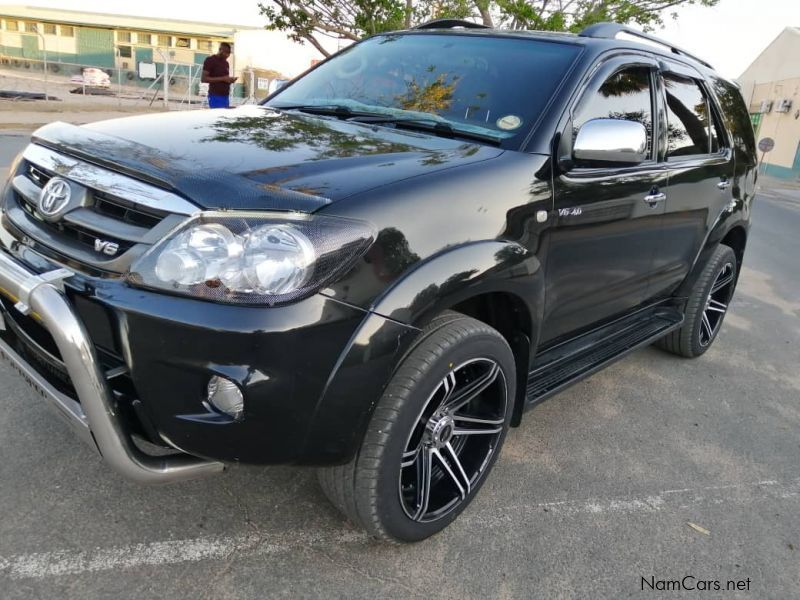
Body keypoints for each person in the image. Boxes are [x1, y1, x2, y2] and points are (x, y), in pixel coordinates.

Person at [202, 42, 237, 108]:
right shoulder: (210, 60)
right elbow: (204, 79)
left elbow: (225, 78)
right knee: (219, 116)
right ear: (220, 50)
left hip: (225, 96)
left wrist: (230, 80)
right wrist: (223, 78)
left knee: (224, 117)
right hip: (215, 96)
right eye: (225, 52)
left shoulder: (226, 63)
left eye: (229, 53)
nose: (227, 55)